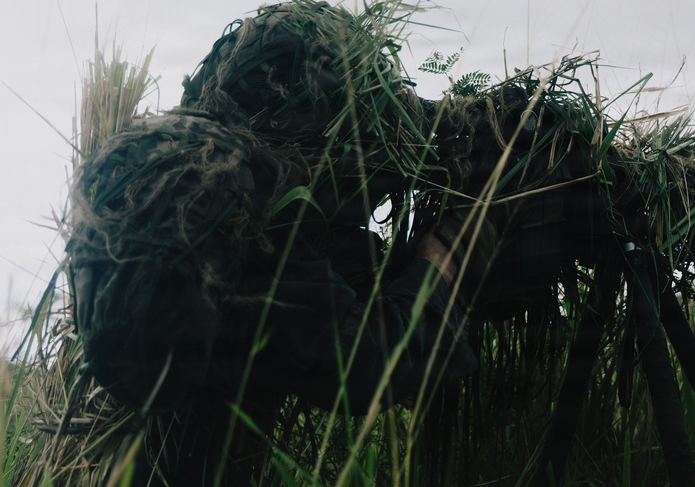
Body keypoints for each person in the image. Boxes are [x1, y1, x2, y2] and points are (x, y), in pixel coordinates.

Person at [68, 111, 476, 485]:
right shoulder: (253, 204)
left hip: (133, 454)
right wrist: (438, 259)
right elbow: (364, 365)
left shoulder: (172, 171)